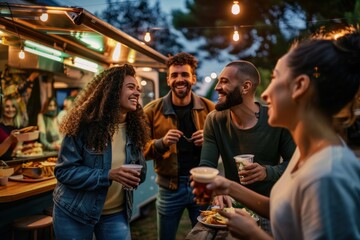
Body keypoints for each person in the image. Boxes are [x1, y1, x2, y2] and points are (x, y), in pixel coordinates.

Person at [196, 28, 360, 239]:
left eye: (275, 78)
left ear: (300, 86)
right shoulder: (304, 154)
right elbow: (283, 209)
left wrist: (254, 235)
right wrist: (227, 186)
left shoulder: (329, 175)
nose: (264, 93)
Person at [53, 64, 150, 240]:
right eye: (131, 87)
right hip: (75, 212)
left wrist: (136, 174)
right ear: (112, 91)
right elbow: (64, 171)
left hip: (115, 213)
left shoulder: (135, 129)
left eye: (138, 89)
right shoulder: (83, 125)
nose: (137, 93)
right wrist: (108, 175)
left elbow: (140, 172)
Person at [199, 60, 296, 231]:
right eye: (218, 81)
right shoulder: (214, 120)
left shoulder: (275, 118)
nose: (217, 87)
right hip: (231, 206)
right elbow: (206, 166)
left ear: (245, 87)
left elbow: (294, 165)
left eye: (224, 81)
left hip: (268, 206)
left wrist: (267, 172)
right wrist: (217, 191)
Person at [143, 52, 215, 240]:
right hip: (169, 188)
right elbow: (140, 150)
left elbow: (224, 146)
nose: (179, 79)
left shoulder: (210, 109)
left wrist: (208, 142)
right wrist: (162, 143)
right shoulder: (151, 110)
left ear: (193, 78)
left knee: (205, 237)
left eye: (184, 74)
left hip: (202, 186)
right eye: (174, 75)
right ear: (168, 80)